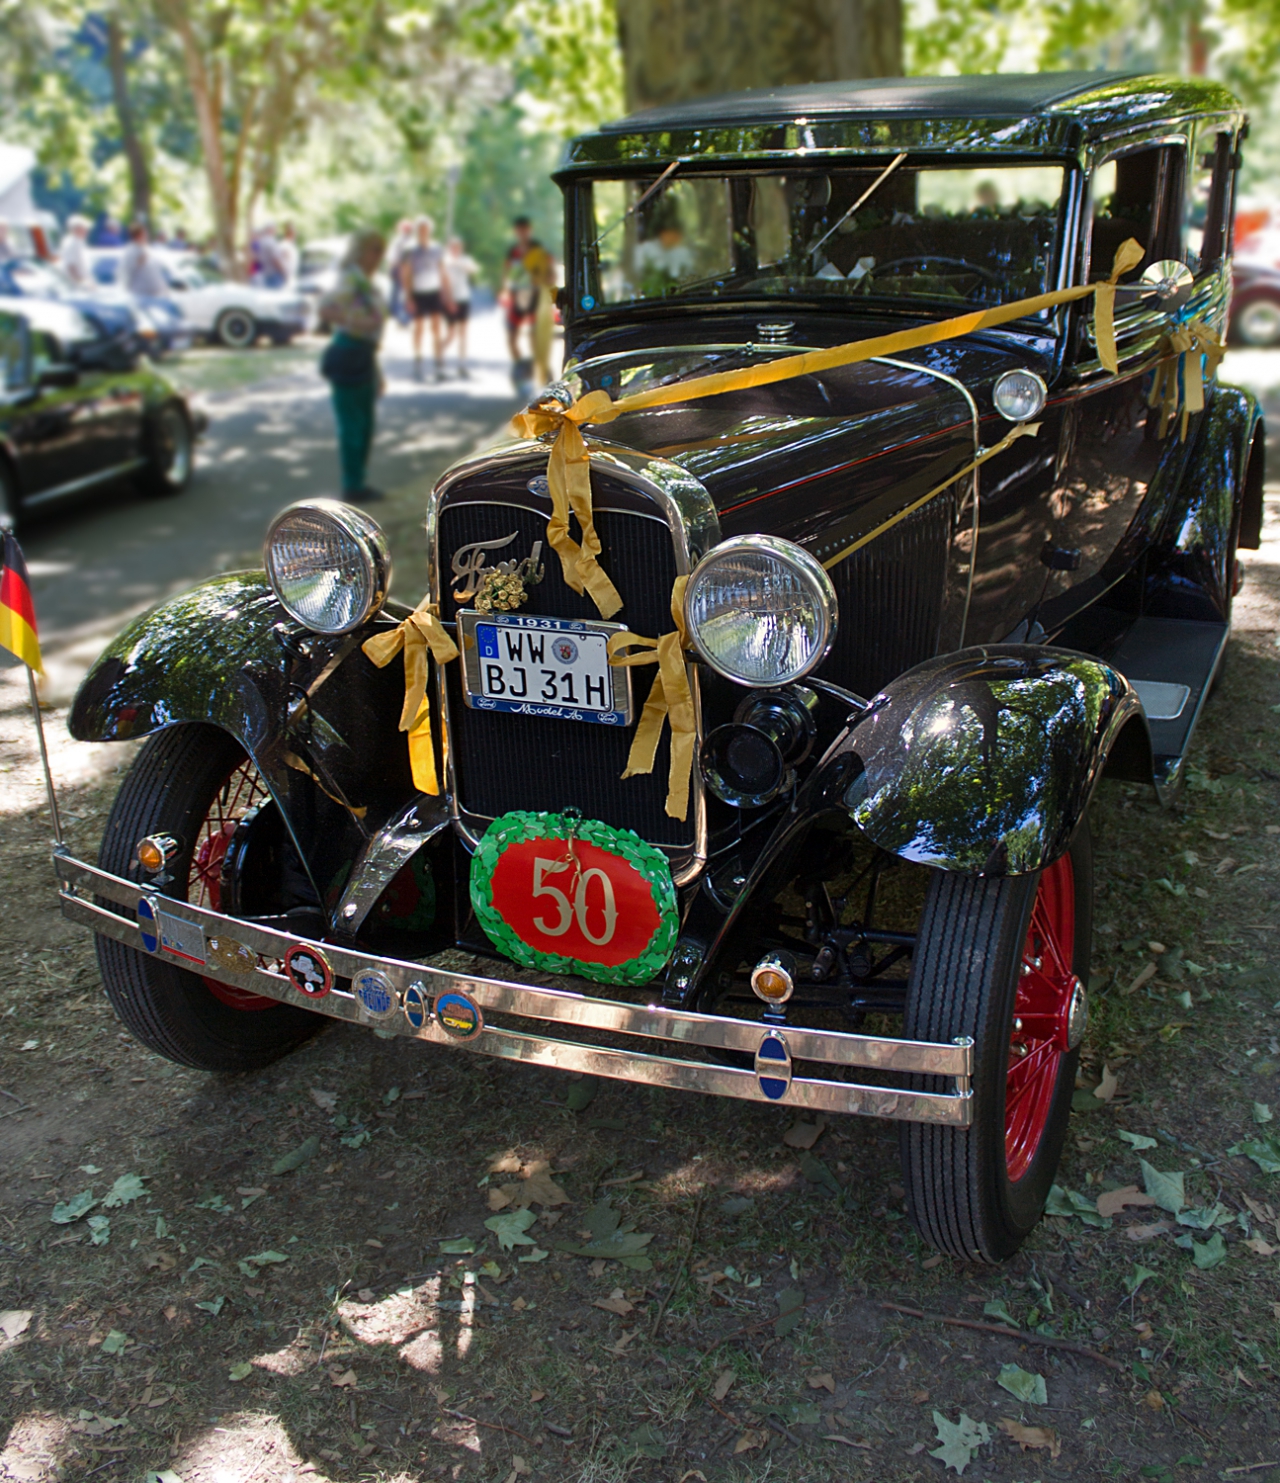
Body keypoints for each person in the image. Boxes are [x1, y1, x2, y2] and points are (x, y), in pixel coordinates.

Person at [317, 230, 387, 503]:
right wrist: (355, 322)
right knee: (352, 425)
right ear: (361, 250)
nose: (378, 256)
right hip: (348, 352)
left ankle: (358, 481)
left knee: (365, 424)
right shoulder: (351, 279)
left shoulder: (366, 282)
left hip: (364, 355)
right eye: (374, 249)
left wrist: (378, 373)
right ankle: (352, 484)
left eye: (381, 250)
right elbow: (326, 309)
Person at [400, 216, 453, 381]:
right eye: (420, 229)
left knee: (437, 327)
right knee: (419, 328)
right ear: (417, 231)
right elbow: (406, 274)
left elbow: (443, 272)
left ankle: (439, 364)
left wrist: (448, 295)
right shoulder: (409, 250)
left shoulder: (437, 249)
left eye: (426, 229)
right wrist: (408, 297)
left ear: (430, 231)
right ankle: (418, 363)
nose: (423, 232)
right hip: (418, 293)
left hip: (434, 292)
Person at [500, 216, 542, 367]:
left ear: (529, 231)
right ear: (516, 232)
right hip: (517, 296)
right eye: (519, 231)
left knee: (533, 337)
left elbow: (545, 271)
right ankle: (520, 368)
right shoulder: (513, 251)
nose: (522, 233)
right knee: (511, 338)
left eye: (525, 230)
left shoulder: (537, 248)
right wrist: (505, 289)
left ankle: (537, 369)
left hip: (533, 296)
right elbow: (507, 270)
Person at [442, 236, 479, 379]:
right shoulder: (445, 261)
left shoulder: (465, 260)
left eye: (458, 246)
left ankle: (462, 365)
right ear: (449, 247)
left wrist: (461, 264)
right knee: (451, 333)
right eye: (453, 246)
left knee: (463, 333)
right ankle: (440, 359)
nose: (455, 249)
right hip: (450, 300)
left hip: (463, 299)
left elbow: (474, 270)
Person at [120, 223, 169, 300]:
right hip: (139, 295)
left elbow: (157, 271)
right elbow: (126, 271)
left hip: (155, 295)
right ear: (137, 235)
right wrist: (138, 261)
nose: (146, 236)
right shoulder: (130, 250)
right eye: (144, 234)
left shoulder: (147, 249)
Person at [59, 216, 91, 284]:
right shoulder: (71, 243)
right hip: (74, 285)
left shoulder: (79, 241)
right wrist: (80, 282)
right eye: (84, 228)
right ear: (76, 229)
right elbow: (70, 265)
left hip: (81, 282)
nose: (86, 231)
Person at [277, 222, 299, 287]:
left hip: (291, 277)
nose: (295, 234)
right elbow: (279, 261)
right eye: (293, 232)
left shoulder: (292, 245)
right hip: (284, 278)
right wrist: (285, 275)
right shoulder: (284, 245)